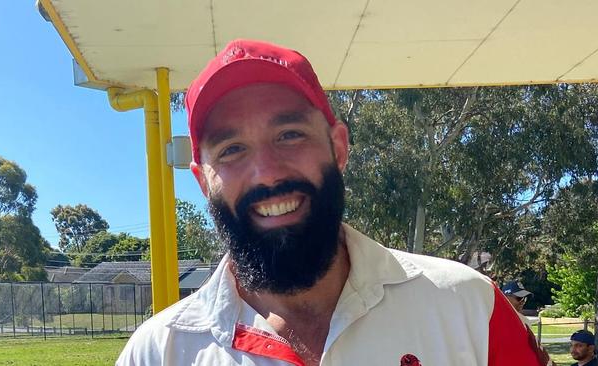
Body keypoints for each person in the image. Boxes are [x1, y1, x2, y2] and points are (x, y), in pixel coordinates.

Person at [116, 39, 542, 366]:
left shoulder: (469, 306)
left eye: (290, 135)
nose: (267, 172)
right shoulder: (159, 352)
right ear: (202, 180)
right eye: (231, 149)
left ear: (338, 147)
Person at [503, 280, 555, 366]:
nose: (522, 302)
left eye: (524, 298)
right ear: (505, 297)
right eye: (519, 298)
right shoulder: (494, 319)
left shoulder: (524, 321)